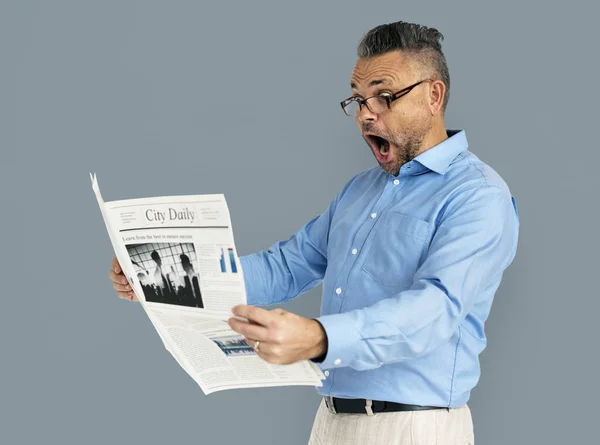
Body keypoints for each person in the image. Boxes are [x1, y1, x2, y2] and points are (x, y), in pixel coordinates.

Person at [108, 20, 519, 445]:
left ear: (434, 96)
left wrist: (319, 337)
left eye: (384, 96)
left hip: (415, 429)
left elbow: (434, 310)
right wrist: (169, 278)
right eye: (358, 100)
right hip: (330, 424)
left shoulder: (479, 197)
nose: (366, 114)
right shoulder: (359, 191)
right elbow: (286, 266)